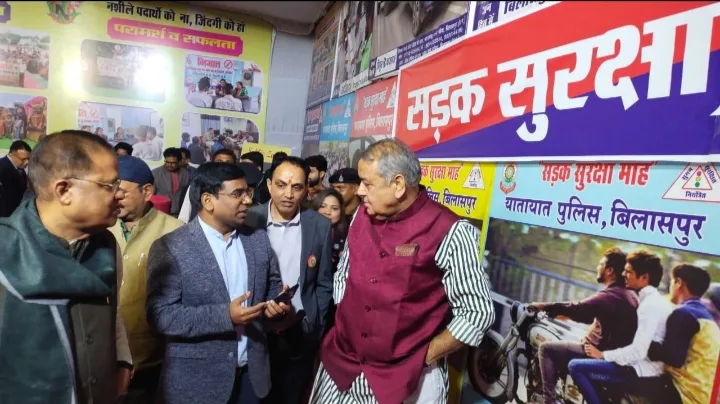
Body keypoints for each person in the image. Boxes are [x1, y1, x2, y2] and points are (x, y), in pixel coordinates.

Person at [310, 139, 495, 404]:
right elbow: (344, 271)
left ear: (398, 184)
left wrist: (425, 356)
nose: (359, 191)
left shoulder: (450, 231)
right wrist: (348, 315)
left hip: (406, 381)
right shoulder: (361, 215)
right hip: (342, 365)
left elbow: (477, 312)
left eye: (367, 184)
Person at [0, 130, 132, 403]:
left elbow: (112, 310)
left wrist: (122, 360)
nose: (120, 194)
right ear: (64, 190)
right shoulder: (5, 249)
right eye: (110, 185)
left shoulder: (107, 245)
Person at [146, 162, 291, 404]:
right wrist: (226, 316)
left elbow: (272, 286)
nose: (248, 200)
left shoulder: (257, 240)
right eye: (237, 194)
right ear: (208, 200)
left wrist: (277, 305)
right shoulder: (171, 247)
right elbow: (160, 316)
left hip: (252, 379)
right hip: (196, 385)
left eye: (248, 192)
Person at [244, 156, 334, 404]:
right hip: (254, 330)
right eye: (281, 185)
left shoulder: (319, 225)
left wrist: (314, 322)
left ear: (306, 190)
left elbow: (324, 282)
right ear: (269, 185)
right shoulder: (249, 220)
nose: (288, 194)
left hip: (299, 332)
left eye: (296, 187)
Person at [109, 155, 184, 404]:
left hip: (152, 360)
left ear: (147, 191)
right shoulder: (100, 227)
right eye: (110, 190)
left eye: (121, 191)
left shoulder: (175, 231)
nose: (114, 197)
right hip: (103, 358)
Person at [529, 247, 639, 404]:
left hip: (597, 354)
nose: (598, 267)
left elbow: (578, 308)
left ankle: (549, 401)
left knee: (545, 348)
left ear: (609, 270)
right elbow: (586, 314)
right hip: (611, 355)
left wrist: (541, 306)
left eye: (601, 264)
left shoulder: (609, 296)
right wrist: (559, 313)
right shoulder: (627, 294)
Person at [568, 249, 674, 404]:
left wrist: (603, 355)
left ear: (644, 278)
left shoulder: (649, 306)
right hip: (645, 368)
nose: (623, 274)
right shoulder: (652, 300)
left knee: (576, 366)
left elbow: (638, 351)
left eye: (629, 272)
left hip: (640, 372)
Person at [648, 264, 720, 404]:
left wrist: (643, 343)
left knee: (618, 383)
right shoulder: (706, 317)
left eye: (672, 282)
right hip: (702, 395)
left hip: (683, 393)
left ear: (679, 283)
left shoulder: (684, 313)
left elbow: (673, 359)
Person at [152, 148, 190, 218]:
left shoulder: (185, 173)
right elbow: (151, 195)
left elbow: (185, 194)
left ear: (179, 162)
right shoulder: (155, 173)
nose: (169, 164)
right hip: (160, 213)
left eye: (173, 163)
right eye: (167, 162)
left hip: (179, 213)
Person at [0, 140, 31, 216]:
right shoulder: (3, 169)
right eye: (23, 159)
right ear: (11, 155)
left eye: (28, 159)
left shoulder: (18, 166)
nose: (27, 162)